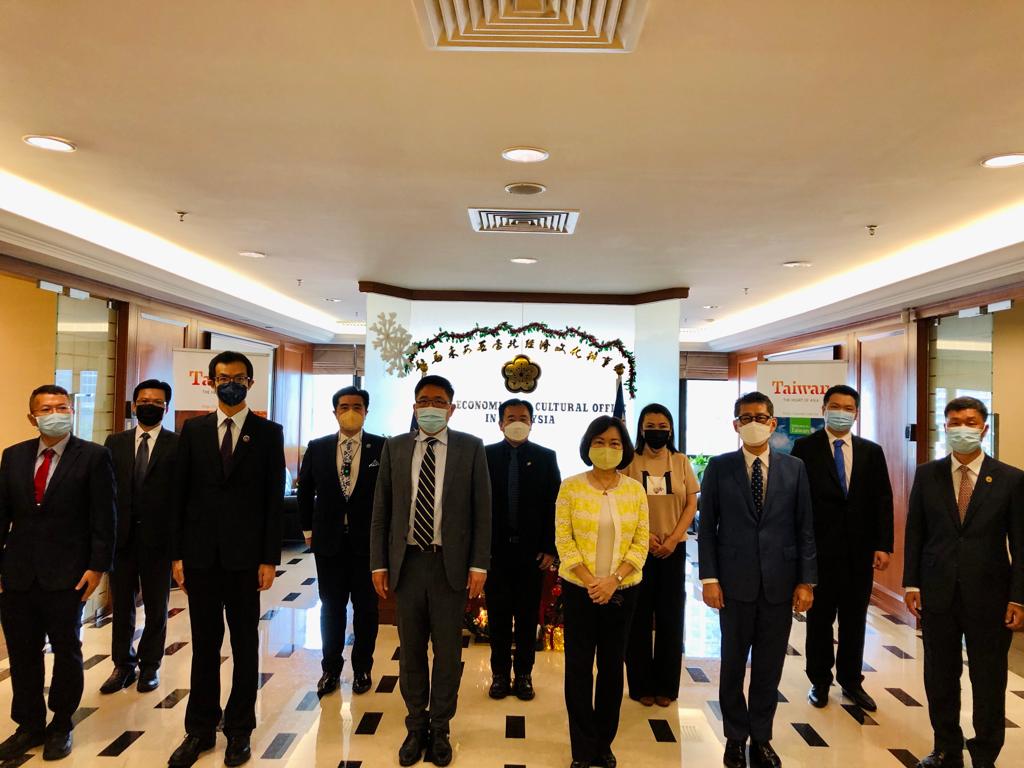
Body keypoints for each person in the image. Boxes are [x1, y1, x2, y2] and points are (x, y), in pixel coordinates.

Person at [168, 352, 285, 768]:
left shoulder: (268, 433)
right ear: (211, 382)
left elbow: (274, 502)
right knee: (204, 646)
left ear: (250, 383)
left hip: (245, 560)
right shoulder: (193, 430)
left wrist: (269, 558)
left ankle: (239, 729)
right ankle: (199, 729)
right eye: (222, 378)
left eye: (237, 378)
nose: (229, 384)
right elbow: (179, 496)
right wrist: (177, 554)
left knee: (245, 644)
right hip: (199, 558)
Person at [369, 375, 491, 767]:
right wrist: (378, 563)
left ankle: (441, 727)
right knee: (410, 652)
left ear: (452, 408)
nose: (431, 407)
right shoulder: (395, 447)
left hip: (449, 566)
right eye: (424, 400)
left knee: (448, 650)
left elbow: (482, 512)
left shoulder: (471, 449)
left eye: (439, 401)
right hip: (407, 564)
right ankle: (415, 724)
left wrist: (478, 564)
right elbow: (381, 512)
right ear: (414, 406)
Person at [904, 396, 1024, 768]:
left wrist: (1018, 599)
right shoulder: (928, 474)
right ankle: (946, 749)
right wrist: (911, 585)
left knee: (988, 680)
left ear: (984, 428)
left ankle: (985, 752)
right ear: (945, 427)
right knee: (940, 676)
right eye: (954, 422)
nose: (961, 429)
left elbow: (1021, 543)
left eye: (969, 422)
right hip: (937, 593)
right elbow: (915, 532)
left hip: (990, 595)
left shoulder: (1010, 479)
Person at [699, 392, 816, 768]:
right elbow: (707, 531)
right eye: (745, 417)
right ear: (736, 425)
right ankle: (735, 737)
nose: (753, 422)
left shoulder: (794, 468)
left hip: (780, 584)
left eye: (760, 416)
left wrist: (806, 581)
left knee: (769, 666)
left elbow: (805, 528)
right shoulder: (719, 467)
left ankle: (761, 737)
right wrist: (709, 578)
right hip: (733, 583)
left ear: (772, 422)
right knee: (733, 663)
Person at [0, 384, 116, 761]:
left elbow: (105, 517)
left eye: (62, 407)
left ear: (72, 412)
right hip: (18, 574)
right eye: (46, 408)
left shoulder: (94, 457)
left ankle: (61, 723)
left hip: (69, 575)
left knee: (67, 651)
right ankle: (29, 724)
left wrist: (98, 567)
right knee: (22, 653)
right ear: (32, 416)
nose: (55, 412)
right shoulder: (13, 456)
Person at [791, 384, 893, 712]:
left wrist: (883, 544)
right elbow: (796, 500)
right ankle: (819, 681)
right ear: (823, 409)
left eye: (848, 407)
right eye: (835, 405)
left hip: (858, 553)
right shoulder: (804, 448)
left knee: (854, 620)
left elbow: (882, 500)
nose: (841, 412)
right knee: (819, 620)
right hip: (818, 553)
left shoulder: (871, 451)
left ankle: (851, 681)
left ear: (856, 413)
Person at [555, 416, 649, 768]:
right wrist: (592, 580)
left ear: (624, 448)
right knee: (578, 669)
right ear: (587, 445)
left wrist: (614, 580)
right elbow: (564, 540)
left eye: (614, 443)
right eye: (599, 441)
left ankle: (603, 743)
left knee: (612, 668)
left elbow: (640, 544)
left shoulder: (634, 490)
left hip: (623, 592)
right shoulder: (570, 487)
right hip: (581, 590)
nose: (607, 449)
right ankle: (582, 747)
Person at [298, 385, 384, 698]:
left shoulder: (381, 447)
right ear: (335, 411)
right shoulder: (318, 446)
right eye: (344, 406)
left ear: (365, 411)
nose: (351, 411)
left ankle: (362, 667)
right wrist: (308, 529)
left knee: (366, 608)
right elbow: (305, 490)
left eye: (357, 406)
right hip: (329, 542)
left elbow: (388, 495)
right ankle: (330, 669)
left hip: (368, 543)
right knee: (331, 608)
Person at [100, 379, 178, 696]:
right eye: (144, 400)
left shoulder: (177, 445)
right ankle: (122, 665)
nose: (150, 405)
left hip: (159, 541)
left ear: (166, 407)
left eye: (157, 402)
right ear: (134, 405)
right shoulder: (115, 442)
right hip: (122, 539)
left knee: (157, 606)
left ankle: (149, 666)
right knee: (122, 605)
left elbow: (181, 497)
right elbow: (105, 491)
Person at [484, 398, 561, 701]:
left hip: (533, 555)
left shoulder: (546, 457)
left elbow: (554, 506)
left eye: (524, 417)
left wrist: (550, 548)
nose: (518, 422)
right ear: (500, 423)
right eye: (511, 417)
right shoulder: (485, 455)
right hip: (495, 554)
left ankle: (525, 675)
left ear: (532, 422)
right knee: (499, 618)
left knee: (529, 618)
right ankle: (500, 675)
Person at [624, 403, 698, 708]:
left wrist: (675, 537)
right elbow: (623, 502)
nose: (657, 431)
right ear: (641, 429)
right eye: (650, 426)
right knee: (637, 619)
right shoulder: (629, 461)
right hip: (637, 550)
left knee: (670, 618)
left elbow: (691, 503)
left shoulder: (680, 461)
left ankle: (667, 686)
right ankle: (641, 685)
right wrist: (646, 537)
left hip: (673, 549)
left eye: (662, 426)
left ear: (671, 429)